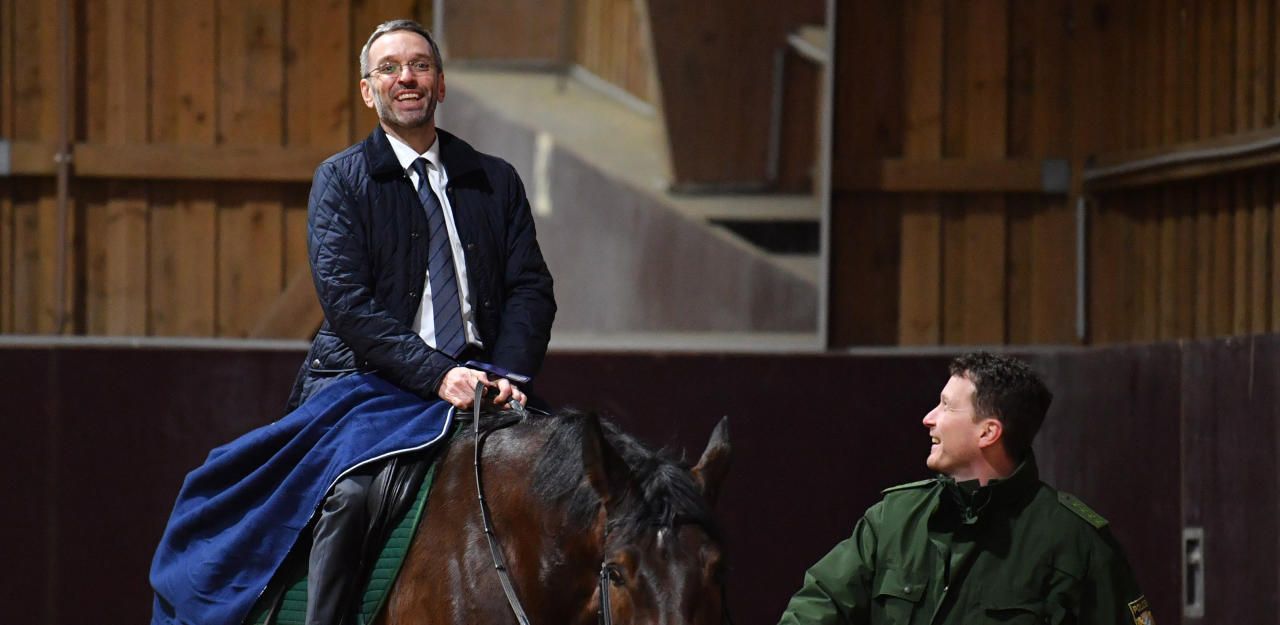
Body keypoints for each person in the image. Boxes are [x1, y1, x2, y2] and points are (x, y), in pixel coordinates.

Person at [287, 19, 556, 625]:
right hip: (365, 382)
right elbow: (348, 305)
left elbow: (531, 288)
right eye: (389, 68)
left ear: (440, 84)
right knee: (349, 498)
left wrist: (511, 372)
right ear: (368, 91)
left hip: (487, 377)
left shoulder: (496, 179)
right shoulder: (341, 180)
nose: (405, 77)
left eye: (419, 66)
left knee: (570, 479)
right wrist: (438, 376)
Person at [777, 352, 1155, 625]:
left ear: (988, 432)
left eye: (945, 406)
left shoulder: (1078, 544)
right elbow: (818, 606)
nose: (929, 419)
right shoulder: (893, 520)